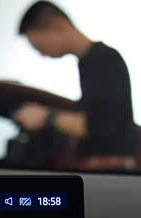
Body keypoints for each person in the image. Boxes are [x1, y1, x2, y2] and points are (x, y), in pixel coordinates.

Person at [15, 1, 137, 170]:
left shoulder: (104, 59)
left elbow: (102, 126)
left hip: (110, 170)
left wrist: (45, 116)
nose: (42, 54)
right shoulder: (88, 62)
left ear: (59, 25)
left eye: (39, 47)